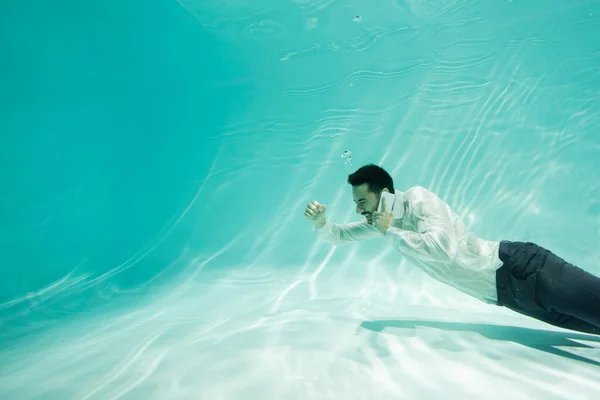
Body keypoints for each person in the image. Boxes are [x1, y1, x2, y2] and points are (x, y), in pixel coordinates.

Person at [304, 164, 600, 335]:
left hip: (521, 268)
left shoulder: (417, 199)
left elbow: (442, 249)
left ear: (382, 194)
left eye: (361, 202)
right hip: (508, 297)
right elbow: (339, 236)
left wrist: (388, 231)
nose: (357, 210)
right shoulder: (384, 220)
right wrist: (321, 222)